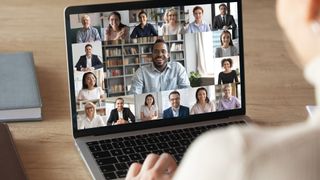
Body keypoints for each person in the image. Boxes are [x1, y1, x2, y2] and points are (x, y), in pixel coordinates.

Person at [126, 0, 320, 179]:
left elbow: (185, 88)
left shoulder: (230, 157)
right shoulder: (142, 72)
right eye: (156, 52)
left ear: (309, 5)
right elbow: (136, 93)